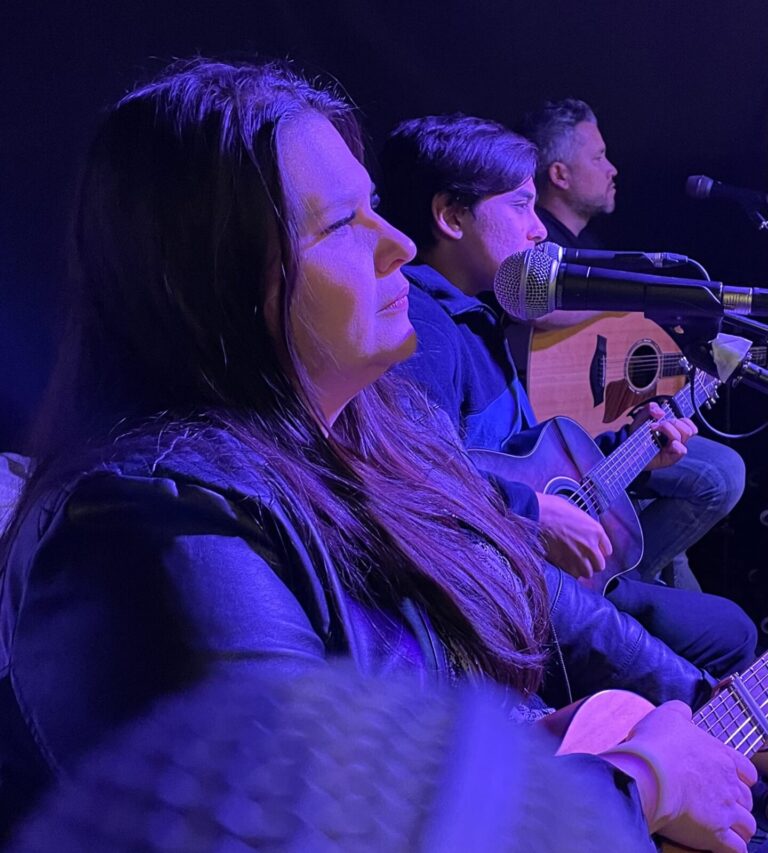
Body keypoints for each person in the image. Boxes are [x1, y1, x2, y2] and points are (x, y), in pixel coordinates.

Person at [0, 60, 756, 851]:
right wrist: (642, 783)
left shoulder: (377, 427)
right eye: (340, 225)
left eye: (376, 208)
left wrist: (704, 704)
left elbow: (524, 584)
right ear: (208, 278)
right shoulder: (143, 527)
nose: (396, 243)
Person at [378, 113, 755, 679]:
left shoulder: (473, 316)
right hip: (509, 597)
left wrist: (639, 453)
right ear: (451, 216)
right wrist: (533, 515)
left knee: (730, 626)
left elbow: (524, 460)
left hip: (534, 566)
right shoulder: (426, 329)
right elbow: (408, 477)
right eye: (520, 205)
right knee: (730, 638)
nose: (537, 230)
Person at [521, 98, 746, 590]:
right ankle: (610, 592)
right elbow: (532, 306)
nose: (613, 168)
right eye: (598, 157)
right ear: (558, 173)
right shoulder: (537, 244)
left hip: (615, 425)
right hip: (561, 440)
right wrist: (622, 289)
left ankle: (650, 607)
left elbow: (630, 353)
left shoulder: (597, 250)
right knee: (722, 474)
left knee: (694, 589)